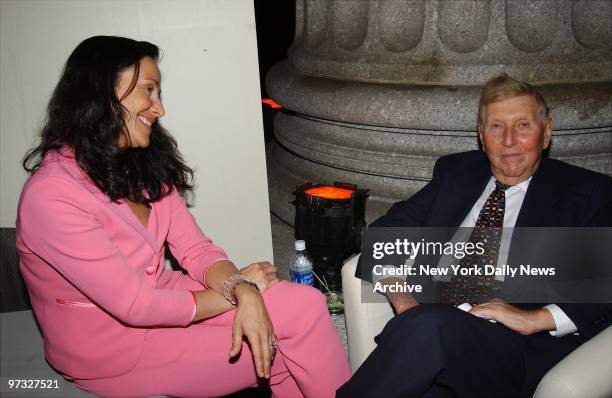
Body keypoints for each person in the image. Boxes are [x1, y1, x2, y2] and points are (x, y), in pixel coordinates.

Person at [16, 35, 350, 397]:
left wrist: (238, 285)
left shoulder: (144, 164)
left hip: (163, 296)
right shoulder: (52, 196)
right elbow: (135, 306)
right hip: (110, 348)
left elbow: (195, 249)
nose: (158, 108)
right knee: (282, 349)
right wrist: (243, 292)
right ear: (101, 93)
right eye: (148, 89)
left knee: (305, 305)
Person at [338, 74, 612, 397]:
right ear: (482, 136)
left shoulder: (586, 192)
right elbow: (384, 235)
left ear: (547, 132)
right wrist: (404, 302)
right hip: (430, 336)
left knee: (430, 331)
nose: (509, 140)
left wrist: (536, 318)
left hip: (514, 349)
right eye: (497, 127)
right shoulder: (456, 174)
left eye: (523, 125)